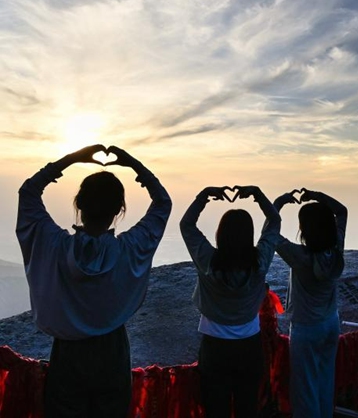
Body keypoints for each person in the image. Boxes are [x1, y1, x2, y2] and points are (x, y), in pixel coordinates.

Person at [16, 144, 171, 417]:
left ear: (79, 205)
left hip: (67, 353)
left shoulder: (56, 247)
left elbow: (28, 193)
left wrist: (71, 159)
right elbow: (162, 204)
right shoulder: (128, 250)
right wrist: (133, 164)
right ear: (119, 209)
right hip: (111, 351)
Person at [180, 185, 285, 417]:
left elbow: (186, 225)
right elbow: (274, 222)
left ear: (220, 234)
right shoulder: (259, 262)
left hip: (214, 347)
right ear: (249, 236)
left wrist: (204, 195)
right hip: (250, 345)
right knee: (247, 408)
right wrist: (258, 194)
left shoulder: (208, 261)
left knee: (215, 409)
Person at [274, 188, 347, 418]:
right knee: (325, 382)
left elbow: (270, 233)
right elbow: (342, 211)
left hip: (306, 328)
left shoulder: (299, 256)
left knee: (304, 391)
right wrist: (316, 195)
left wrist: (279, 203)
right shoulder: (336, 249)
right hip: (330, 323)